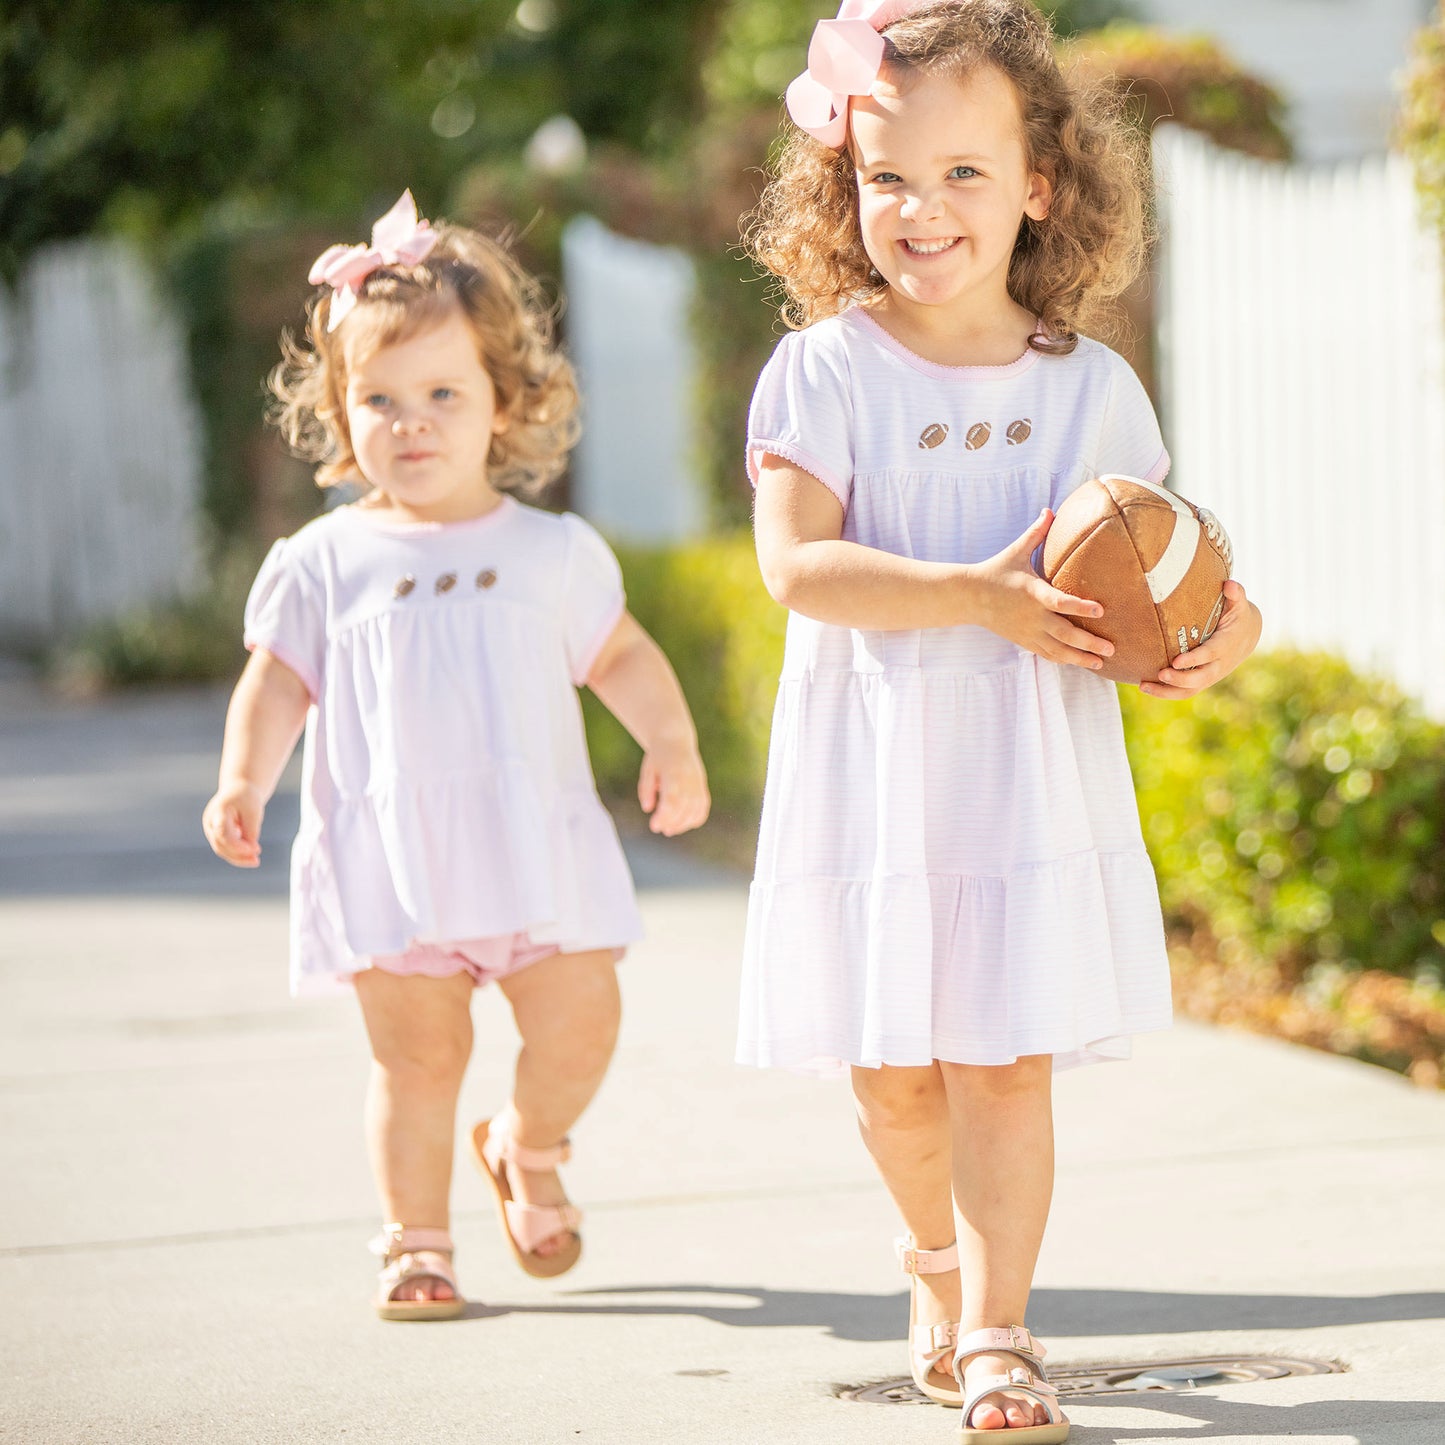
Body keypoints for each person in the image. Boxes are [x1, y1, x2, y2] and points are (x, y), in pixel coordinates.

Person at [740, 3, 1260, 1439]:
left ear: (1040, 182)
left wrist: (1231, 629)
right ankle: (928, 1255)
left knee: (1001, 1059)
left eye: (965, 173)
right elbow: (797, 567)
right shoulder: (826, 370)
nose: (923, 209)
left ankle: (997, 1326)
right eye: (888, 176)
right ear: (842, 185)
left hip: (1022, 784)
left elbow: (1169, 553)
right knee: (896, 1083)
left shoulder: (1086, 387)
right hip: (879, 774)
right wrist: (971, 596)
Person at [202, 191, 709, 1321]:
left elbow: (621, 655)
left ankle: (527, 1144)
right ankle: (416, 1243)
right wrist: (245, 778)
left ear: (502, 402)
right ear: (340, 409)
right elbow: (277, 679)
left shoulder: (550, 553)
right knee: (415, 1061)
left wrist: (667, 741)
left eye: (442, 394)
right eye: (377, 399)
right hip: (394, 858)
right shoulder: (323, 560)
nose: (410, 423)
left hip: (537, 852)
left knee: (581, 1020)